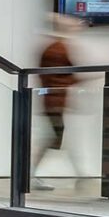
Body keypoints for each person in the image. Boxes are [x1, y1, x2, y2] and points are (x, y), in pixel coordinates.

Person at [31, 14, 80, 192]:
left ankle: (32, 174)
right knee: (52, 138)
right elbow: (60, 77)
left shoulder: (56, 47)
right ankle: (31, 174)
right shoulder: (57, 49)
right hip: (54, 101)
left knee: (54, 138)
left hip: (54, 101)